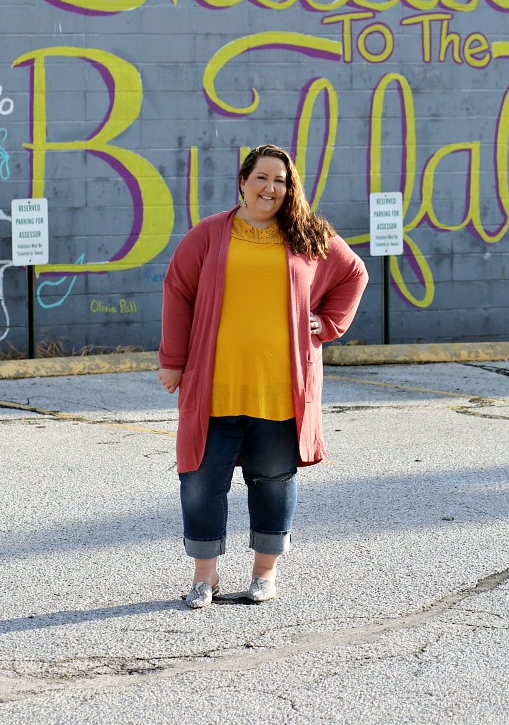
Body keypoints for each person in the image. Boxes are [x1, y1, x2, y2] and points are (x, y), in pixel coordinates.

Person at [157, 143, 369, 608]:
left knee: (273, 479)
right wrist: (173, 361)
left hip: (279, 388)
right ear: (243, 182)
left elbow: (354, 273)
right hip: (215, 386)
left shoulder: (308, 235)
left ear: (290, 189)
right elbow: (178, 292)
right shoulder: (210, 234)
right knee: (199, 480)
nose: (271, 188)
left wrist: (327, 323)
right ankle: (204, 577)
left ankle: (264, 574)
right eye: (262, 178)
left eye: (281, 180)